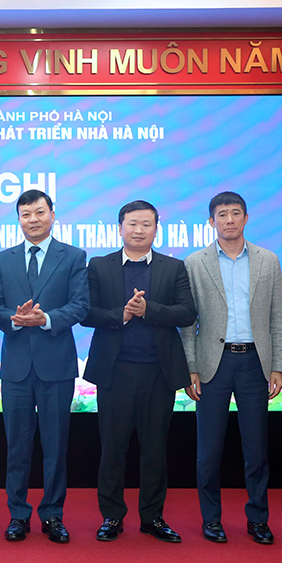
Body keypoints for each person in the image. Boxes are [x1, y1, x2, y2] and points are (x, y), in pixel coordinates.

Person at [81, 200, 196, 543]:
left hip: (158, 373)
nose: (139, 229)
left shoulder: (173, 267)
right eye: (132, 223)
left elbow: (187, 312)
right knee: (112, 448)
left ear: (156, 229)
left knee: (154, 449)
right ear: (120, 228)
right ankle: (112, 516)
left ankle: (153, 517)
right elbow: (86, 313)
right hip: (114, 372)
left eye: (146, 224)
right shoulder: (99, 266)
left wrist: (149, 310)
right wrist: (122, 315)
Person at [180, 191, 282, 545]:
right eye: (222, 214)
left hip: (255, 362)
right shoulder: (195, 263)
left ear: (246, 218)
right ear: (211, 221)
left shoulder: (267, 260)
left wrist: (278, 365)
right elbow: (188, 324)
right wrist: (191, 366)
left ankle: (258, 519)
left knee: (256, 448)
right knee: (208, 450)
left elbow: (277, 316)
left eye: (236, 213)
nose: (229, 219)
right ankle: (211, 519)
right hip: (214, 363)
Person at [0, 189, 89, 543]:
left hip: (56, 366)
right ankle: (18, 515)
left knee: (55, 447)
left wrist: (46, 319)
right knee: (17, 446)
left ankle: (53, 515)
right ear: (18, 219)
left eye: (39, 212)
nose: (33, 219)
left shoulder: (73, 256)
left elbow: (80, 305)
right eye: (26, 214)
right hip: (16, 367)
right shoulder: (4, 259)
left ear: (52, 215)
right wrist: (13, 319)